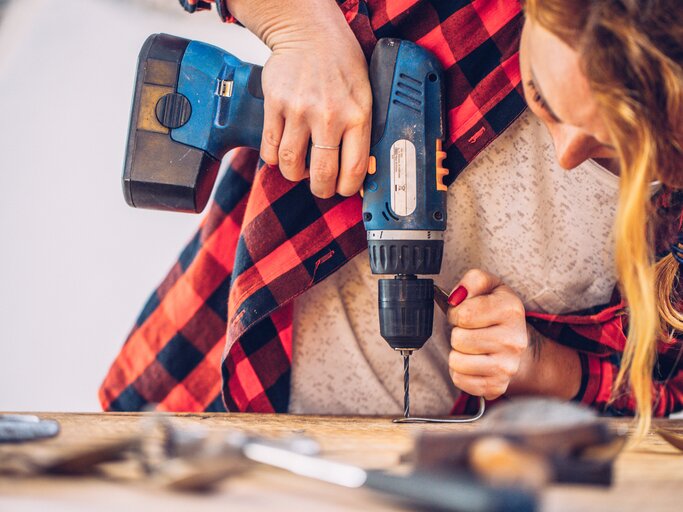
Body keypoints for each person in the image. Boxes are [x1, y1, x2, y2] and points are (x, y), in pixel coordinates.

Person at [100, 0, 682, 431]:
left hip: (438, 467)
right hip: (218, 404)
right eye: (544, 98)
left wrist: (538, 364)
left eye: (623, 148)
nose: (566, 153)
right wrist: (301, 28)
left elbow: (670, 382)